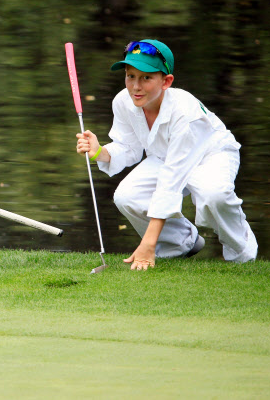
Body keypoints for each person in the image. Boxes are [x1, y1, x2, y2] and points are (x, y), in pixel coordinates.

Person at [76, 39, 257, 270]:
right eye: (130, 76)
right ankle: (180, 244)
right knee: (127, 196)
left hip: (212, 155)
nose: (136, 86)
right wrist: (100, 151)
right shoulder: (123, 101)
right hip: (165, 156)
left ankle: (243, 257)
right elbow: (129, 147)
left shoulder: (184, 112)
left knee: (214, 195)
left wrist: (147, 243)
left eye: (146, 78)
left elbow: (172, 178)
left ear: (166, 81)